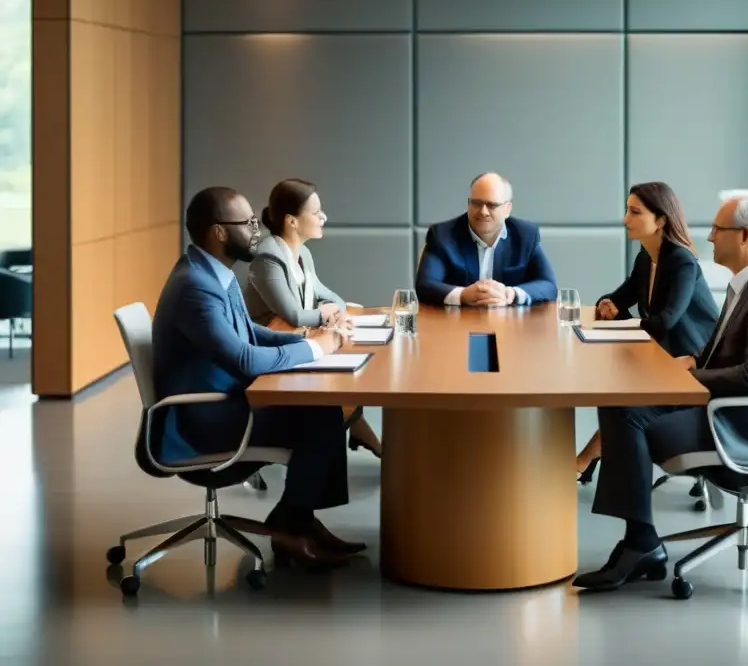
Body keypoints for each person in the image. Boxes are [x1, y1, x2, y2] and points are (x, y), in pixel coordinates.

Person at [573, 191, 748, 591]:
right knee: (619, 401)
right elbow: (721, 347)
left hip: (747, 424)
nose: (710, 236)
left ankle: (639, 545)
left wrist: (691, 378)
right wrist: (695, 361)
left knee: (630, 416)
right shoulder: (747, 285)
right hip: (722, 405)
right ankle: (640, 540)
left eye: (719, 228)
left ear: (745, 235)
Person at [151, 186, 366, 570]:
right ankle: (290, 529)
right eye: (247, 222)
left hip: (225, 402)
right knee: (319, 418)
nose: (256, 228)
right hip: (202, 421)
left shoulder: (212, 271)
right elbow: (246, 359)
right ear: (218, 232)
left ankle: (297, 523)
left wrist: (306, 338)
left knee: (323, 412)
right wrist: (318, 349)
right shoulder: (196, 288)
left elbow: (250, 332)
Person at [575, 182, 719, 484]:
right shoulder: (646, 258)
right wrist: (609, 306)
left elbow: (665, 321)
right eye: (627, 211)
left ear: (661, 220)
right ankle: (589, 459)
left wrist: (622, 318)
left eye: (634, 212)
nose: (626, 219)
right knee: (614, 388)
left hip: (693, 364)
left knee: (624, 400)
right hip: (661, 355)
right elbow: (619, 298)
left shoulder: (682, 261)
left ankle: (585, 459)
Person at [244, 178, 382, 459]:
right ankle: (355, 430)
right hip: (270, 351)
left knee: (347, 368)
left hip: (296, 340)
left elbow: (331, 297)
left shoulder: (302, 253)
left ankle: (357, 427)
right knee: (339, 371)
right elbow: (292, 314)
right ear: (292, 221)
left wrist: (333, 310)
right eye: (316, 212)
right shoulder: (266, 258)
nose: (324, 217)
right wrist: (326, 313)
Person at [415, 172, 557, 307]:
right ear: (468, 204)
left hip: (512, 325)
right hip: (456, 324)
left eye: (492, 205)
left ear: (507, 209)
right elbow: (425, 284)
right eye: (476, 203)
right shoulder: (442, 235)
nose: (483, 211)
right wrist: (463, 295)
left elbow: (548, 285)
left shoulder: (526, 235)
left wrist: (510, 294)